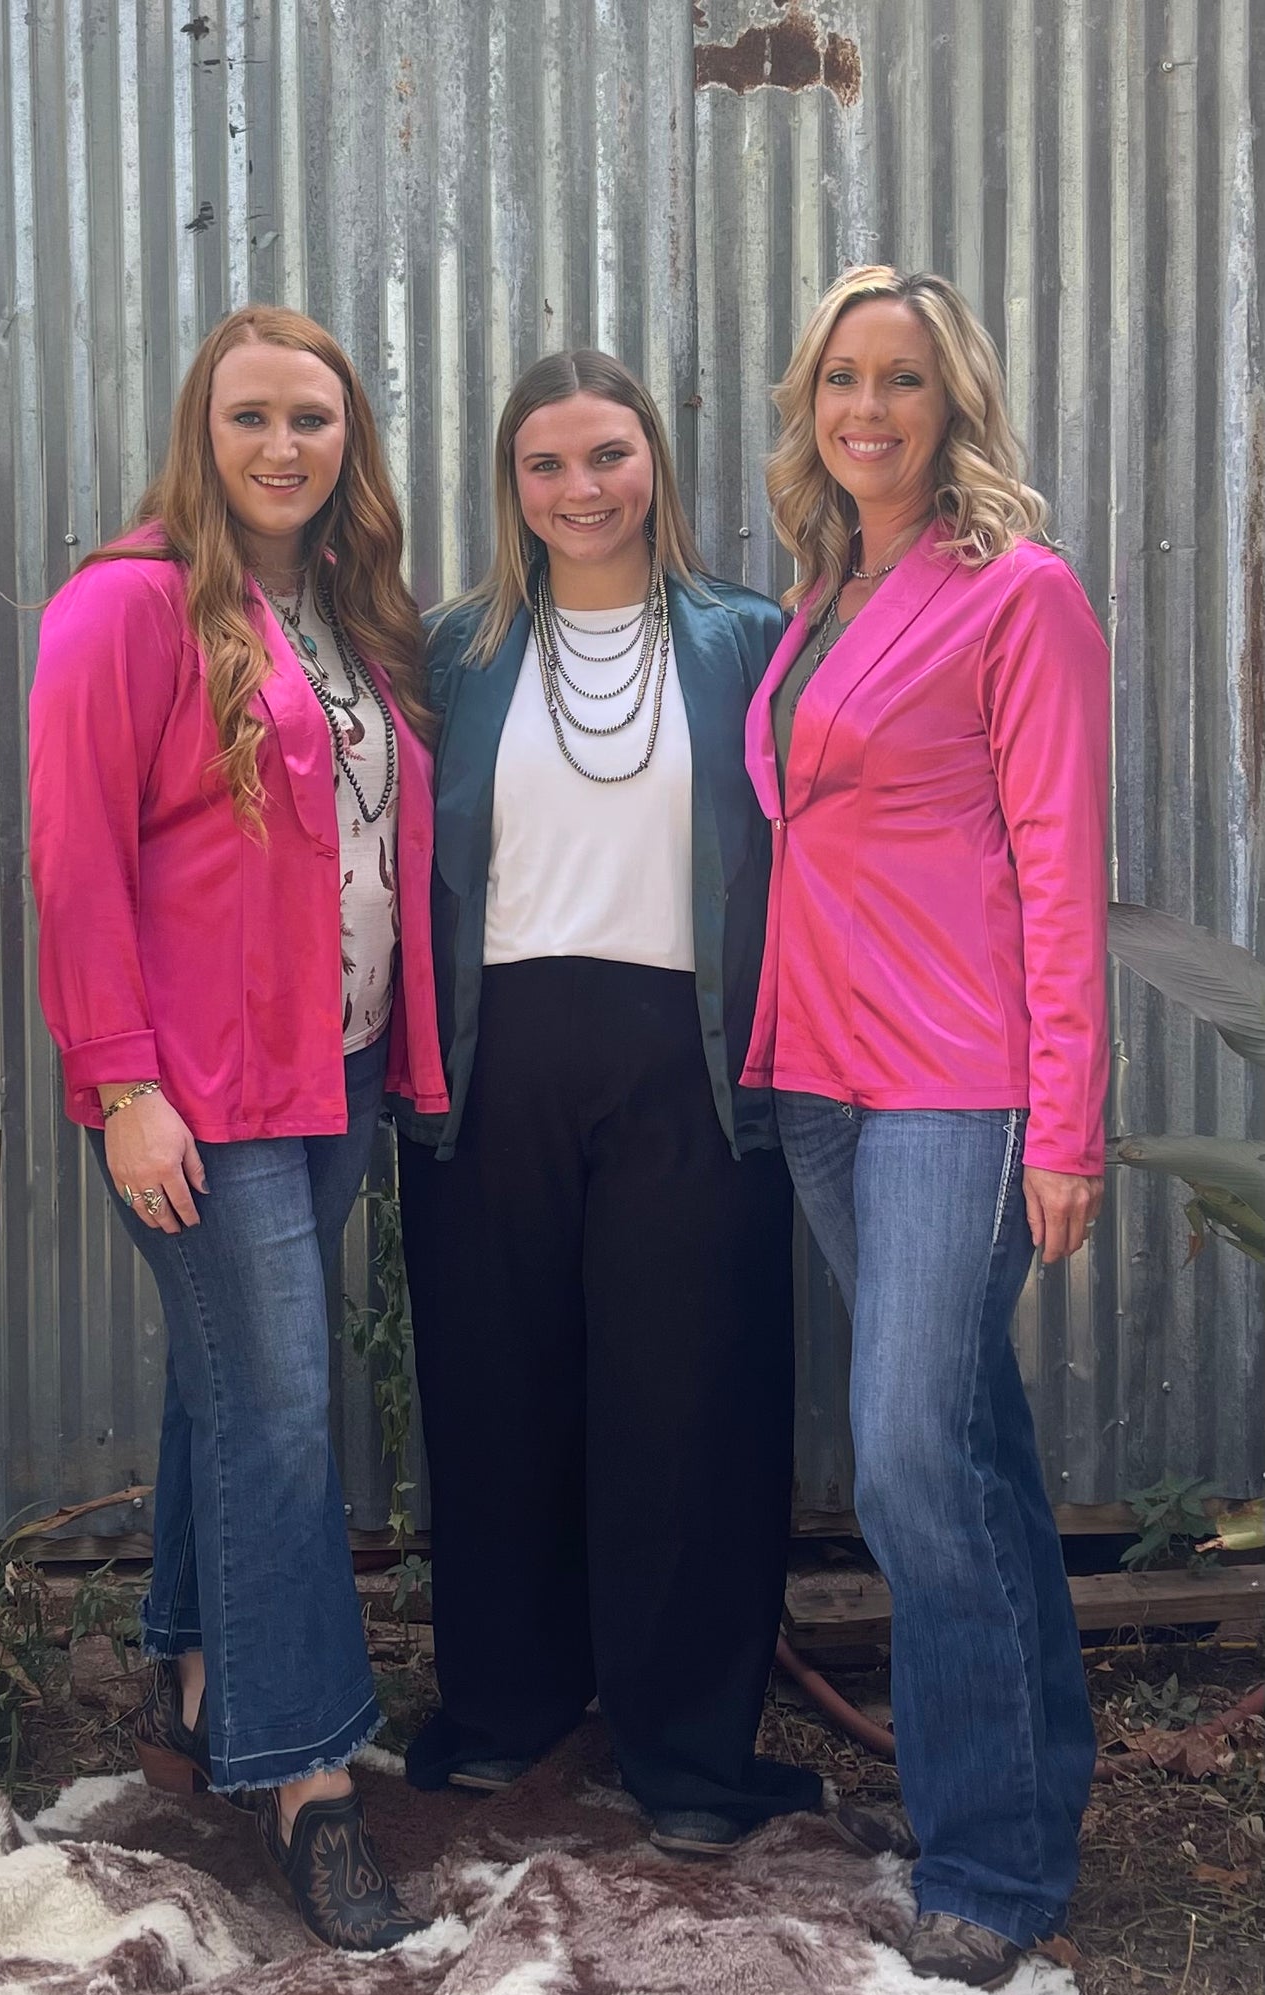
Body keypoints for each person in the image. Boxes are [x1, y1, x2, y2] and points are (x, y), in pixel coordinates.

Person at [28, 305, 448, 1951]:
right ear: (202, 431)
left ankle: (201, 1674)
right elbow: (73, 862)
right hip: (190, 1089)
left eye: (315, 421)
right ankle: (307, 1779)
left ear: (350, 445)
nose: (285, 447)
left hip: (327, 1069)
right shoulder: (123, 607)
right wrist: (123, 1086)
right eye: (254, 417)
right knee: (281, 1406)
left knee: (235, 1383)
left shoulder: (347, 616)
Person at [395, 349, 823, 1852]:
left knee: (687, 1399)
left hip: (688, 1055)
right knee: (497, 1384)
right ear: (509, 485)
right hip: (494, 1049)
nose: (581, 491)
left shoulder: (746, 640)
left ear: (655, 461)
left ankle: (688, 1750)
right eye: (547, 464)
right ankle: (506, 1710)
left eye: (608, 455)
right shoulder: (450, 649)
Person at [746, 266, 1108, 1988]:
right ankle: (1028, 1796)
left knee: (901, 1449)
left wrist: (1065, 1124)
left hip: (957, 1081)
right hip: (817, 1072)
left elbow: (1059, 865)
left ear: (949, 400)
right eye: (838, 379)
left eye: (897, 378)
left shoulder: (1017, 595)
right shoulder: (821, 593)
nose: (864, 409)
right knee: (966, 1441)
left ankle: (985, 1864)